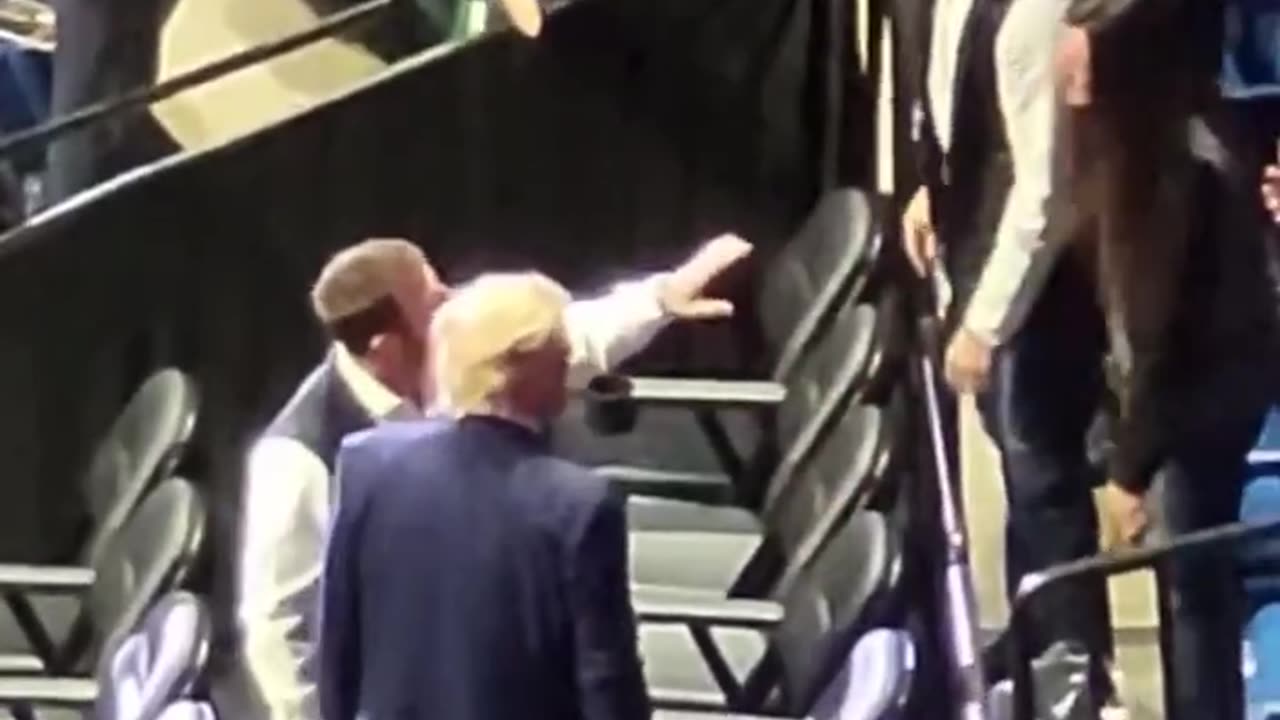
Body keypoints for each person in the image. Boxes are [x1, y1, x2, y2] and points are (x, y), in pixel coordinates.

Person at [228, 234, 749, 719]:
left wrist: (660, 296)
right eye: (434, 304)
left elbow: (555, 340)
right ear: (387, 349)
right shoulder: (302, 461)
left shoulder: (457, 364)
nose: (453, 308)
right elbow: (281, 630)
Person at [1058, 1, 1277, 717]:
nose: (1064, 60)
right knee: (1194, 587)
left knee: (1195, 593)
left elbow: (1162, 339)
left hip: (1203, 403)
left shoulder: (1177, 167)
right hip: (1202, 393)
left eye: (1082, 46)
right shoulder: (1147, 143)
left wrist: (1127, 471)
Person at [318, 271, 650, 720]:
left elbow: (339, 651)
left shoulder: (368, 464)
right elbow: (606, 685)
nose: (569, 363)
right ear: (523, 366)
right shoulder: (579, 506)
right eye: (561, 353)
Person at [901, 0, 1114, 694]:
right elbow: (954, 116)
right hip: (974, 246)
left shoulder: (1032, 16)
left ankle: (1076, 671)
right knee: (1017, 465)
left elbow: (1046, 193)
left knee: (1042, 478)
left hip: (1038, 287)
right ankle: (1030, 651)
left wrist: (985, 324)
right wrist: (931, 189)